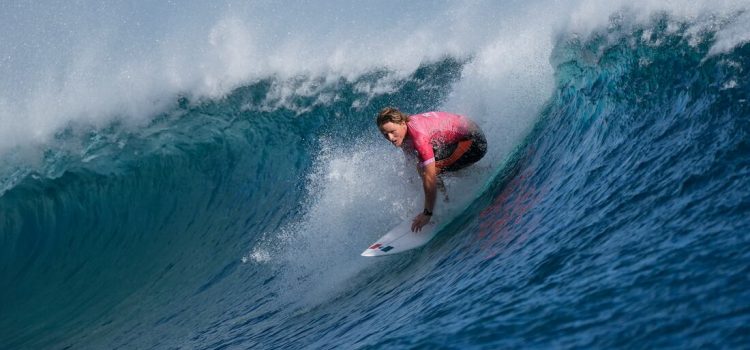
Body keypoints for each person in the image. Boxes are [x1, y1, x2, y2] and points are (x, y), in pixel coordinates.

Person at [376, 107, 487, 232]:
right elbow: (411, 164)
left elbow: (429, 178)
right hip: (461, 139)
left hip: (474, 143)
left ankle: (444, 206)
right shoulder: (405, 132)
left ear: (402, 123)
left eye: (392, 131)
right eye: (385, 135)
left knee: (427, 170)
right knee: (423, 165)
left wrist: (427, 213)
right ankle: (481, 173)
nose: (390, 138)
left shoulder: (418, 136)